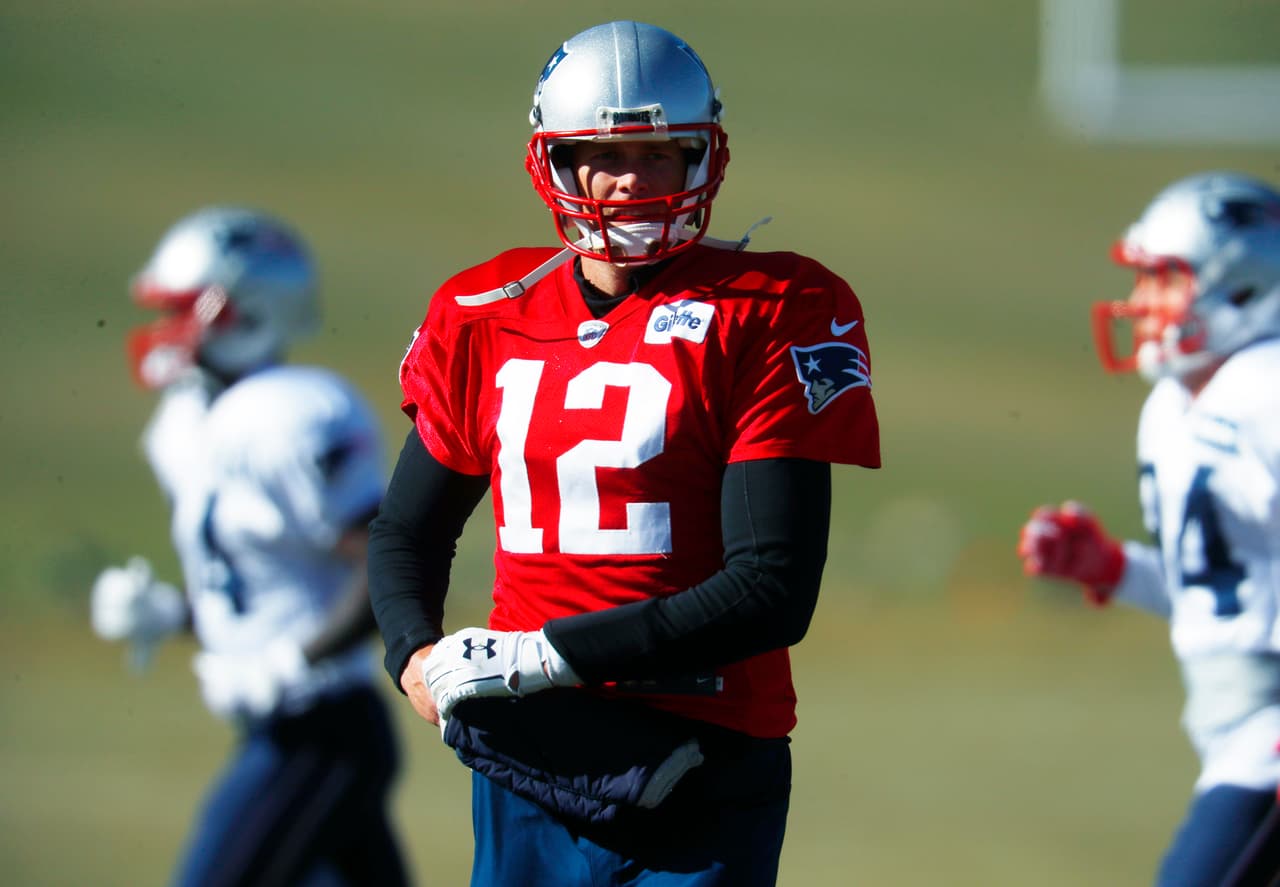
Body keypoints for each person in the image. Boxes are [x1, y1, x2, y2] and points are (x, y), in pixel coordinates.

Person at [368, 19, 881, 887]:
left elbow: (770, 588)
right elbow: (405, 534)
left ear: (703, 158)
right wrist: (415, 656)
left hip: (703, 747)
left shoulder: (775, 304)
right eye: (601, 156)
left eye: (659, 155)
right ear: (552, 161)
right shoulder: (483, 309)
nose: (629, 181)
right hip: (528, 754)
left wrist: (536, 655)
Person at [90, 206, 412, 887]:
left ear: (247, 311)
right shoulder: (185, 425)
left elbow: (389, 565)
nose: (166, 329)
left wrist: (296, 661)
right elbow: (262, 591)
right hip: (287, 732)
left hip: (322, 731)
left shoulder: (288, 415)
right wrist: (173, 613)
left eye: (183, 308)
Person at [1017, 171, 1280, 886]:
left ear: (1247, 283)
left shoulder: (1265, 388)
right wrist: (1112, 568)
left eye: (1163, 278)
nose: (1138, 303)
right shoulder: (1174, 406)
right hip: (1234, 735)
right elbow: (1227, 601)